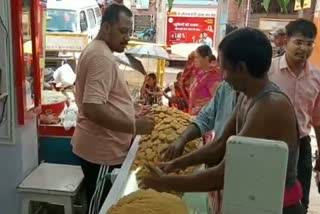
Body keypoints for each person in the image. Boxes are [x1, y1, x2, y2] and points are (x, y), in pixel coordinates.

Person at [142, 28, 304, 214]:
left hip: (278, 207)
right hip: (252, 200)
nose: (222, 76)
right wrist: (176, 164)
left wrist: (165, 183)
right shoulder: (247, 96)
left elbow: (227, 173)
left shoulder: (269, 106)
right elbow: (219, 145)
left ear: (241, 68)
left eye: (224, 68)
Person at [71, 4, 155, 212]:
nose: (127, 37)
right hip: (102, 153)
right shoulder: (101, 57)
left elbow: (106, 99)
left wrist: (131, 109)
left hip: (103, 149)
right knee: (102, 208)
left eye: (129, 32)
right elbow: (93, 109)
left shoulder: (101, 51)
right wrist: (135, 125)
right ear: (107, 27)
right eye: (123, 31)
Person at [269, 18, 320, 212]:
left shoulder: (317, 77)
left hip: (302, 146)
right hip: (269, 144)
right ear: (286, 40)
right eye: (298, 42)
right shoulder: (268, 71)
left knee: (300, 204)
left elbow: (318, 119)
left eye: (309, 44)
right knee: (267, 200)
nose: (304, 48)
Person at [188, 45, 221, 117]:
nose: (194, 60)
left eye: (197, 57)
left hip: (205, 118)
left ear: (206, 58)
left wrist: (205, 103)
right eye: (194, 57)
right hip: (194, 116)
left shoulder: (212, 76)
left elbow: (219, 100)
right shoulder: (199, 73)